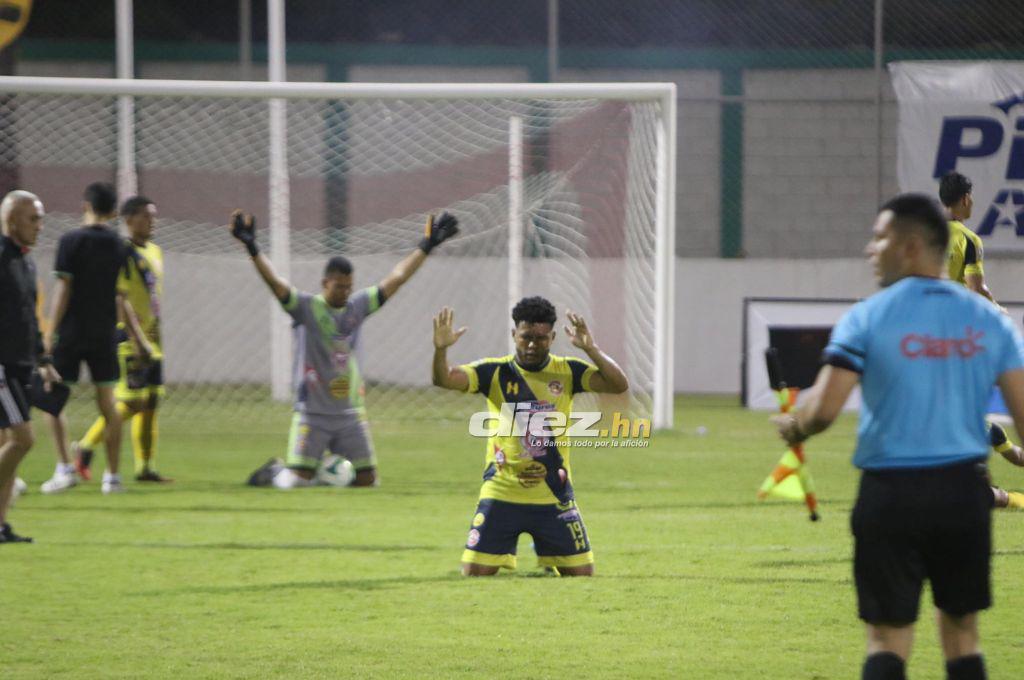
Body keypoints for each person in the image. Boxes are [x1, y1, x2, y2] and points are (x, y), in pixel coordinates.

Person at [773, 193, 1024, 680]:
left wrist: (793, 426)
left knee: (887, 639)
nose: (871, 249)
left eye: (880, 237)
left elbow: (823, 410)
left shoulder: (869, 315)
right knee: (962, 636)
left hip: (891, 494)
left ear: (911, 246)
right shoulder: (991, 320)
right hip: (964, 494)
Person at [233, 210, 458, 489]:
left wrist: (428, 245)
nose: (344, 292)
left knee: (368, 481)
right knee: (294, 483)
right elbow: (275, 283)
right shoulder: (306, 308)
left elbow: (396, 278)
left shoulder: (357, 307)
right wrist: (252, 247)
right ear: (325, 283)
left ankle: (326, 474)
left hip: (350, 413)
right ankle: (274, 471)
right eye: (339, 287)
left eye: (348, 287)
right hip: (312, 413)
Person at [431, 297, 629, 576]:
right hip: (502, 490)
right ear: (514, 335)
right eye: (526, 337)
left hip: (552, 494)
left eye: (541, 338)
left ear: (553, 337)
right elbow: (444, 379)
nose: (533, 344)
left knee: (582, 575)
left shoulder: (567, 371)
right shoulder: (494, 372)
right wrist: (441, 351)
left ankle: (549, 551)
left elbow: (618, 384)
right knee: (474, 573)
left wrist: (591, 349)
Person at [938, 170, 1024, 508]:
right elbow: (977, 289)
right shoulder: (968, 240)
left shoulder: (926, 236)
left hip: (922, 341)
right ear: (963, 200)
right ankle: (996, 476)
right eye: (970, 197)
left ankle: (995, 476)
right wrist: (998, 310)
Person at [41, 182, 133, 495]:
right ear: (114, 212)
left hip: (71, 332)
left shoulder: (70, 240)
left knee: (53, 400)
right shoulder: (120, 245)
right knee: (108, 403)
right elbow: (121, 293)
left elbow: (64, 288)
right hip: (105, 331)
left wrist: (49, 331)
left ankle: (65, 467)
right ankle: (113, 476)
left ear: (85, 206)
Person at [73, 196, 169, 483]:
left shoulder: (155, 251)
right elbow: (120, 297)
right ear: (128, 220)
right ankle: (85, 448)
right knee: (131, 403)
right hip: (131, 339)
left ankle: (145, 467)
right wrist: (137, 337)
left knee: (150, 402)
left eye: (154, 216)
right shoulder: (122, 253)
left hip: (154, 338)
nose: (152, 221)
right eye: (146, 216)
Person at [0, 190, 59, 542]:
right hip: (1, 366)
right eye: (33, 219)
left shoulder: (26, 261)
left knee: (11, 447)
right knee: (23, 439)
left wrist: (44, 361)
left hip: (22, 365)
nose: (40, 226)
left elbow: (29, 319)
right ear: (11, 221)